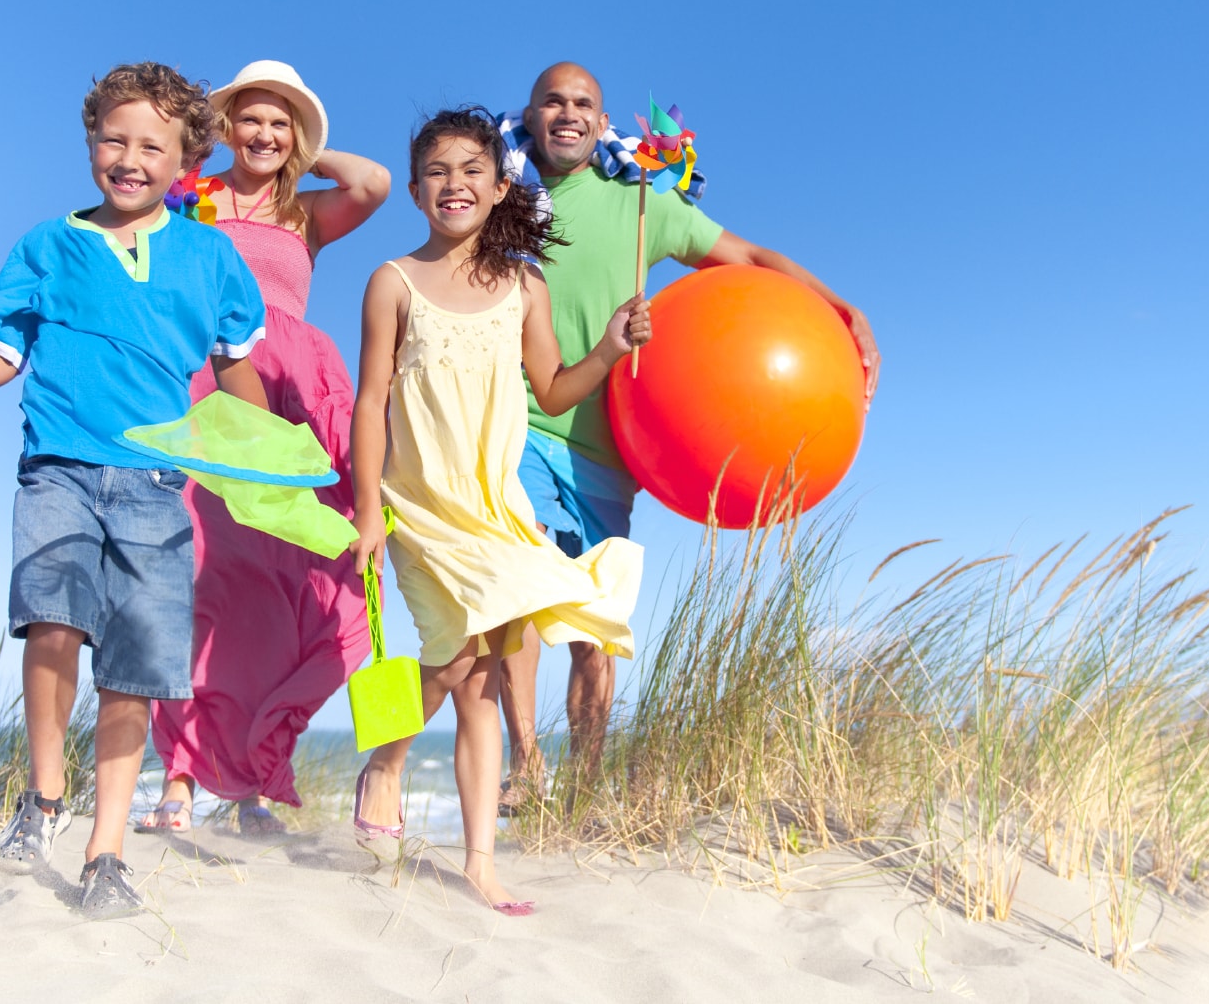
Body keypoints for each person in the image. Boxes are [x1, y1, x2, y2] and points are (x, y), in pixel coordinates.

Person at [0, 62, 270, 916]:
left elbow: (235, 369)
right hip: (58, 464)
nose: (129, 158)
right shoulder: (44, 246)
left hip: (157, 484)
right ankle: (44, 797)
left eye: (152, 147)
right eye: (113, 139)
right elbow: (1, 352)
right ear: (91, 142)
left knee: (133, 667)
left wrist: (275, 450)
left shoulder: (211, 256)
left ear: (185, 160)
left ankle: (106, 853)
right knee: (51, 615)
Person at [497, 62, 883, 809]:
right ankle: (523, 766)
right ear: (532, 111)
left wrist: (839, 306)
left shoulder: (642, 195)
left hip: (611, 445)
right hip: (521, 418)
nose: (567, 113)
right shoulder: (508, 196)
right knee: (516, 583)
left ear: (600, 119)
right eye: (553, 101)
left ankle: (581, 782)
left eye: (582, 103)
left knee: (594, 625)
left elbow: (744, 259)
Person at [348, 107, 650, 913]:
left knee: (481, 677)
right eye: (438, 172)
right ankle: (382, 760)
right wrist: (367, 510)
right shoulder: (393, 281)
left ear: (498, 184)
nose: (455, 184)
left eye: (471, 170)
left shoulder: (523, 285)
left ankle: (480, 861)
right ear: (415, 191)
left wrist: (611, 348)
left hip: (496, 509)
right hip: (419, 506)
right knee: (451, 662)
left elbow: (552, 389)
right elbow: (369, 400)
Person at [139, 60, 391, 835]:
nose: (264, 134)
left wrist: (300, 151)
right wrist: (207, 149)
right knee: (198, 576)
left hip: (292, 395)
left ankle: (252, 779)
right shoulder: (193, 201)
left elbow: (375, 183)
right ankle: (179, 779)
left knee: (289, 587)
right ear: (223, 128)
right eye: (250, 118)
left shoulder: (306, 211)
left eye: (280, 122)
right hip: (208, 391)